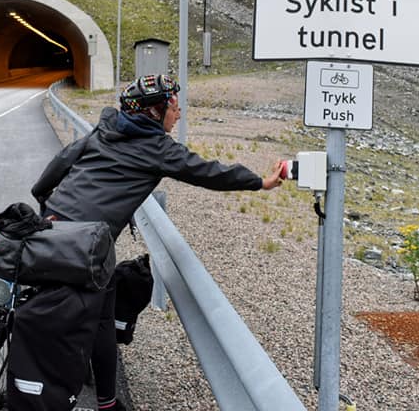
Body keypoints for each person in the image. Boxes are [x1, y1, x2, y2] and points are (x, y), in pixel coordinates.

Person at [31, 73, 283, 411]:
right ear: (154, 111)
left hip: (50, 226)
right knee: (102, 320)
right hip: (87, 245)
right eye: (174, 106)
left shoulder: (106, 129)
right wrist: (260, 183)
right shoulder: (158, 149)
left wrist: (43, 199)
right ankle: (106, 403)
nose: (178, 113)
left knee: (32, 294)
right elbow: (209, 172)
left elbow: (62, 162)